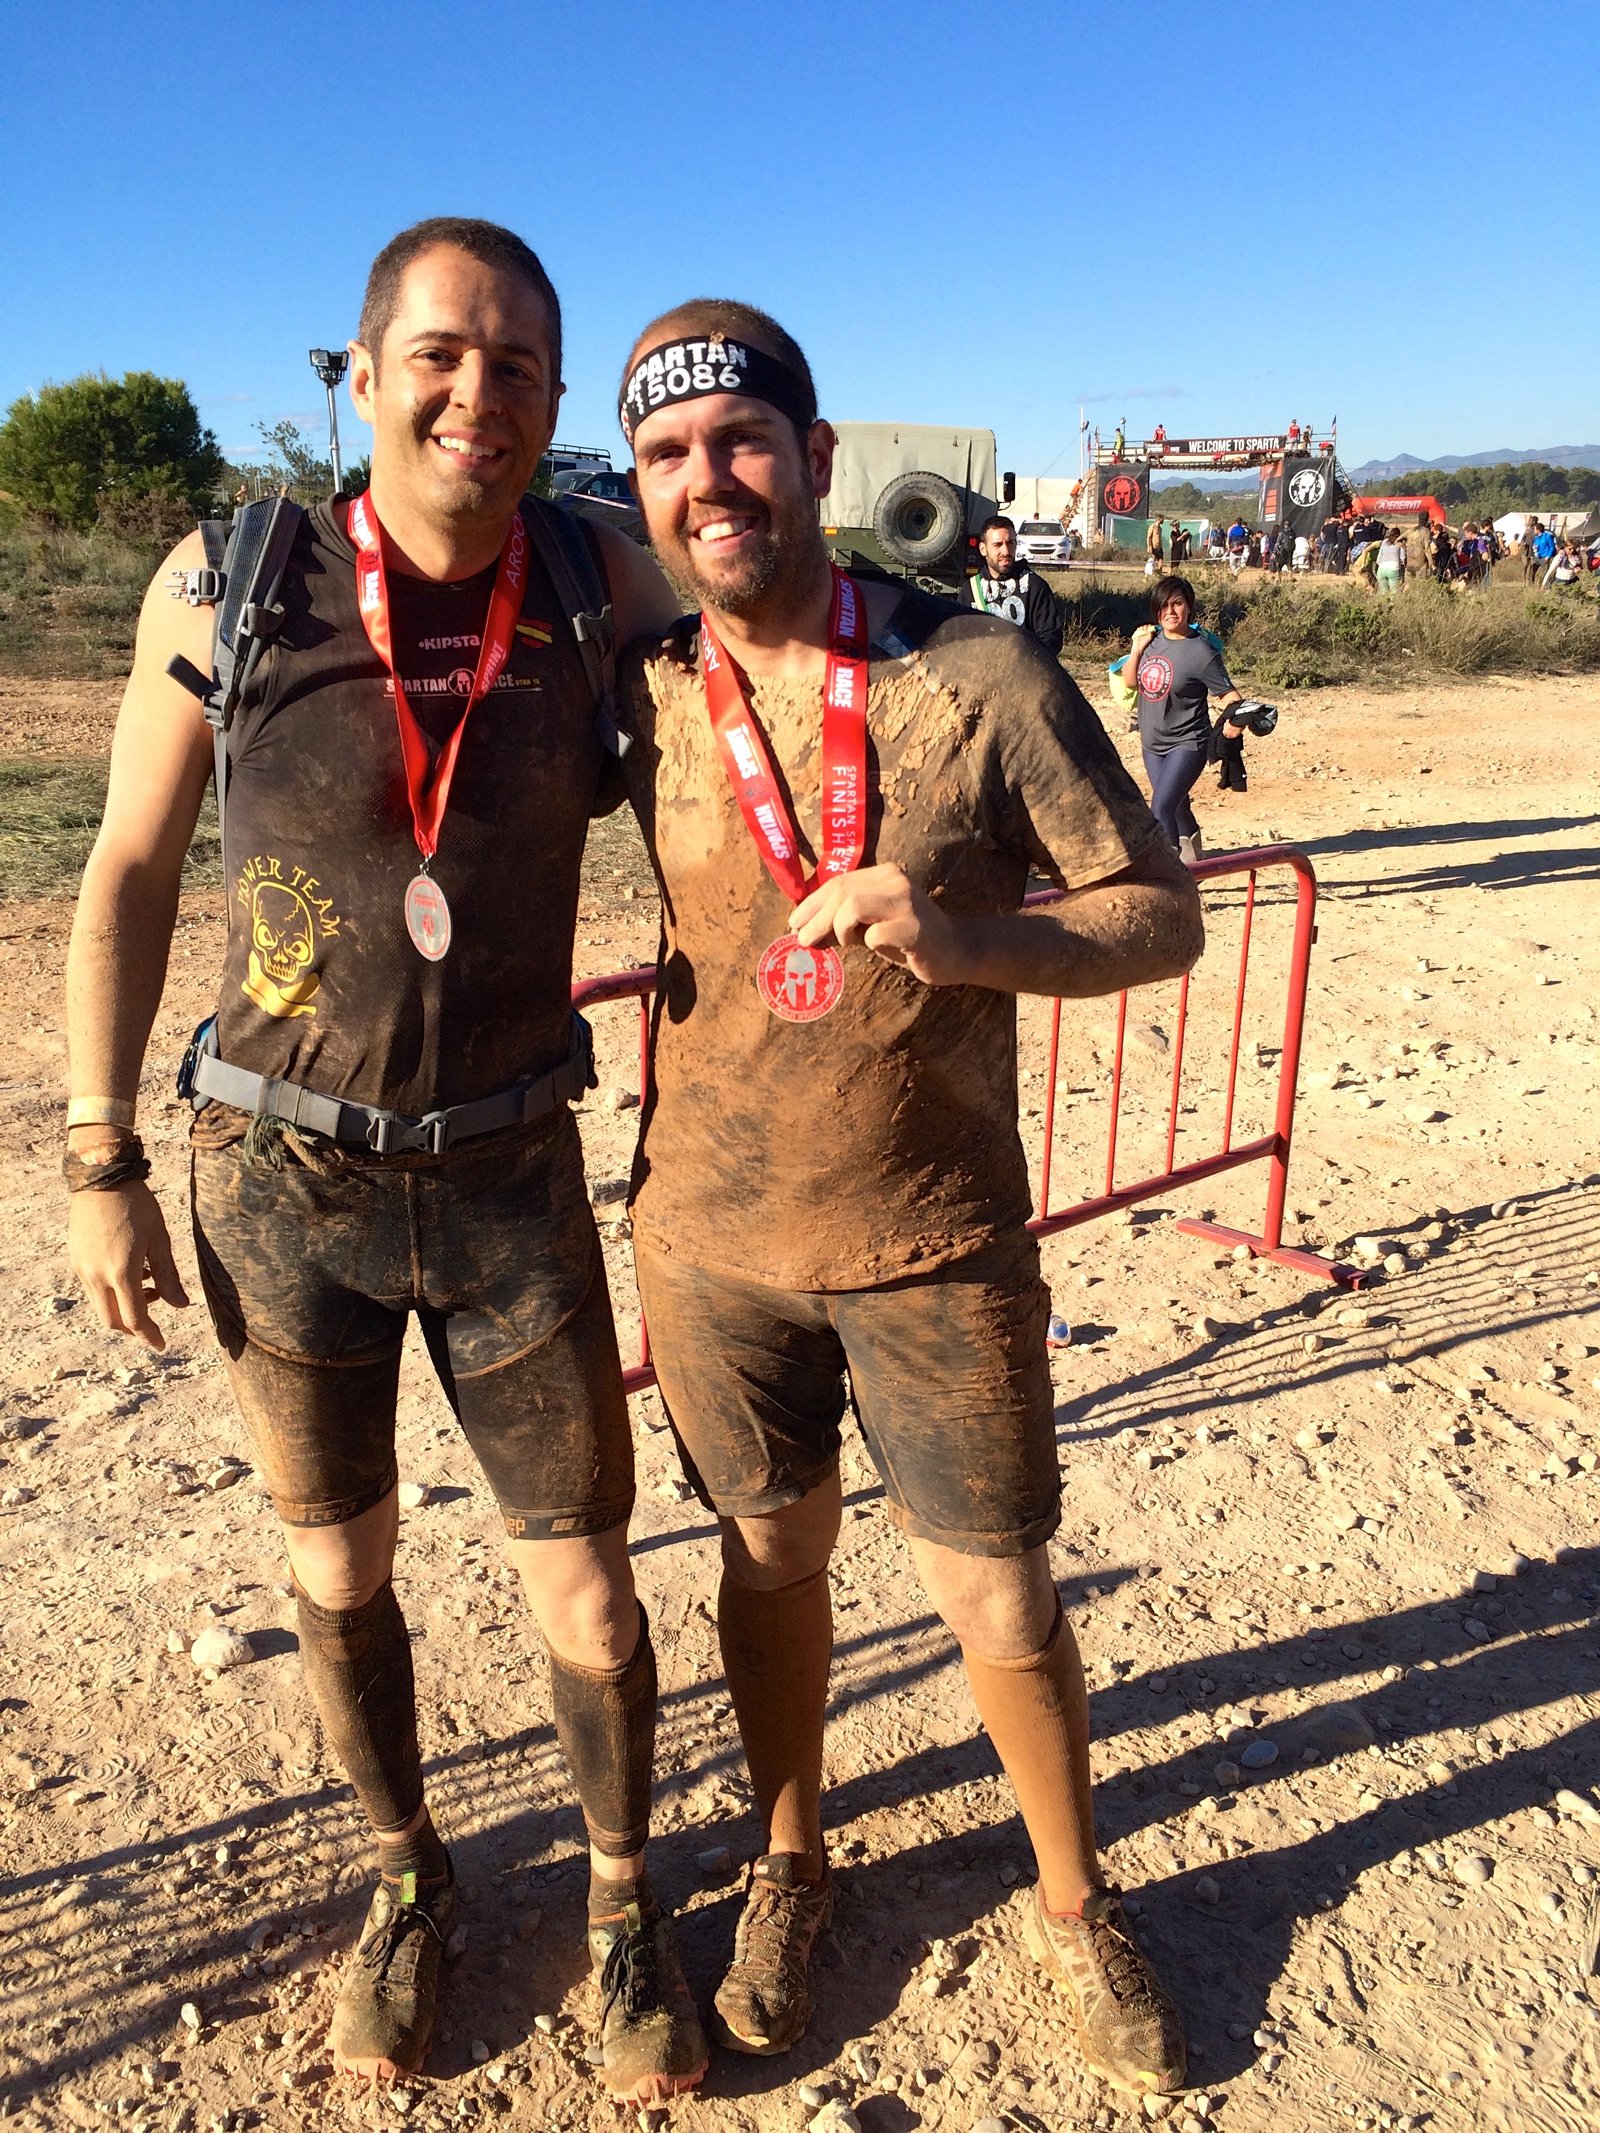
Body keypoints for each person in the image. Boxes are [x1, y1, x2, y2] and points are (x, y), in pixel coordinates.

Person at [63, 218, 708, 2105]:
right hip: (284, 1187)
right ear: (360, 375)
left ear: (554, 397)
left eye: (516, 365)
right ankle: (408, 1873)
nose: (474, 393)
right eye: (438, 354)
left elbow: (791, 612)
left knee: (587, 1591)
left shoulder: (595, 577)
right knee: (338, 1571)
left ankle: (620, 1898)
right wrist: (99, 1153)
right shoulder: (234, 577)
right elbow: (125, 870)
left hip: (510, 1177)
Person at [616, 297, 1203, 2099]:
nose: (710, 481)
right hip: (711, 1241)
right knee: (769, 1558)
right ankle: (789, 1860)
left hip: (936, 1236)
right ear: (641, 488)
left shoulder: (976, 675)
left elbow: (1158, 912)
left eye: (740, 439)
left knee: (1000, 1600)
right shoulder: (641, 682)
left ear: (813, 455)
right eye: (667, 454)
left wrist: (964, 937)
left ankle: (1073, 1900)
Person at [1126, 574, 1248, 864]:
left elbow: (1231, 696)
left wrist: (1236, 722)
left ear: (1189, 607)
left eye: (1177, 603)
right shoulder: (1151, 642)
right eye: (1164, 605)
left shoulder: (1201, 652)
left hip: (1187, 743)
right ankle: (1193, 854)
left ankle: (1169, 875)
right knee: (1175, 803)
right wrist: (1136, 648)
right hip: (1152, 743)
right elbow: (1131, 682)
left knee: (1160, 808)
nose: (1170, 611)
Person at [970, 515, 1065, 653]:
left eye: (1010, 543)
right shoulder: (970, 590)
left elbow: (1051, 639)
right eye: (997, 545)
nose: (1006, 551)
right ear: (982, 549)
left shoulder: (1035, 587)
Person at [1376, 524, 1407, 595]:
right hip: (1393, 568)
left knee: (1383, 592)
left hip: (1381, 568)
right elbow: (1402, 557)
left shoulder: (1385, 541)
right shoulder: (1400, 543)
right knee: (1394, 592)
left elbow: (1380, 556)